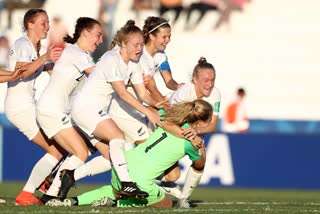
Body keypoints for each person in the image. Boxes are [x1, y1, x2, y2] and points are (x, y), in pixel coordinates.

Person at [47, 99, 211, 208]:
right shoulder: (191, 142)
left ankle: (73, 201)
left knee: (114, 191)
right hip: (140, 182)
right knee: (167, 205)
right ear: (201, 122)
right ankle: (116, 204)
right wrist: (200, 147)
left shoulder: (168, 118)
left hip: (122, 169)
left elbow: (158, 114)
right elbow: (199, 166)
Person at [69, 20, 165, 200]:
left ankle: (67, 177)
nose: (140, 48)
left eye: (141, 45)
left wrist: (158, 104)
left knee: (115, 154)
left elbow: (143, 95)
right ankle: (127, 184)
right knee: (117, 137)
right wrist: (148, 113)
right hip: (85, 108)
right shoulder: (111, 59)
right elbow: (122, 93)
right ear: (123, 44)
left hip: (97, 110)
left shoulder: (134, 63)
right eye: (135, 45)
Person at [35, 17, 112, 204]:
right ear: (85, 33)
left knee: (110, 153)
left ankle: (54, 183)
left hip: (66, 113)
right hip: (53, 110)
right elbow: (102, 79)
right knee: (81, 153)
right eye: (98, 35)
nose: (101, 40)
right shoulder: (77, 54)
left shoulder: (80, 55)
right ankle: (52, 193)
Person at [4, 8, 63, 206]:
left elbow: (53, 73)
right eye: (43, 23)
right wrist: (45, 58)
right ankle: (28, 194)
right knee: (56, 151)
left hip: (29, 105)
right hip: (19, 108)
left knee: (60, 148)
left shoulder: (37, 48)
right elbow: (21, 73)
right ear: (30, 25)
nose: (48, 26)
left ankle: (45, 182)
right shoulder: (23, 44)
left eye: (47, 23)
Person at [161, 57, 221, 207]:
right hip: (168, 126)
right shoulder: (184, 93)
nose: (210, 84)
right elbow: (171, 119)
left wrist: (195, 130)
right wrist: (193, 133)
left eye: (212, 80)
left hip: (188, 131)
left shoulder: (215, 94)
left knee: (200, 161)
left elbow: (213, 126)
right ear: (195, 79)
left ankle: (183, 199)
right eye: (206, 80)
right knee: (172, 176)